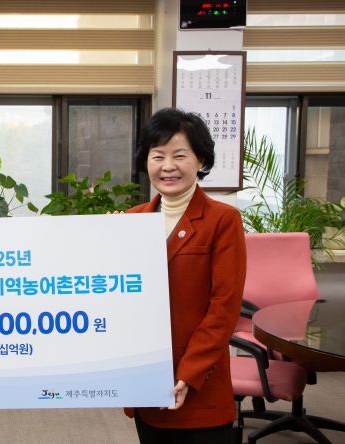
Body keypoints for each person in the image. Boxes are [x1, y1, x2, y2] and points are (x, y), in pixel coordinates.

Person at [123, 108, 246, 443]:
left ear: (201, 160)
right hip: (146, 384)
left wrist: (190, 373)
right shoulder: (130, 221)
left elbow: (224, 308)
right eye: (157, 156)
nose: (167, 166)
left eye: (179, 155)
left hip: (200, 386)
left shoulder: (223, 220)